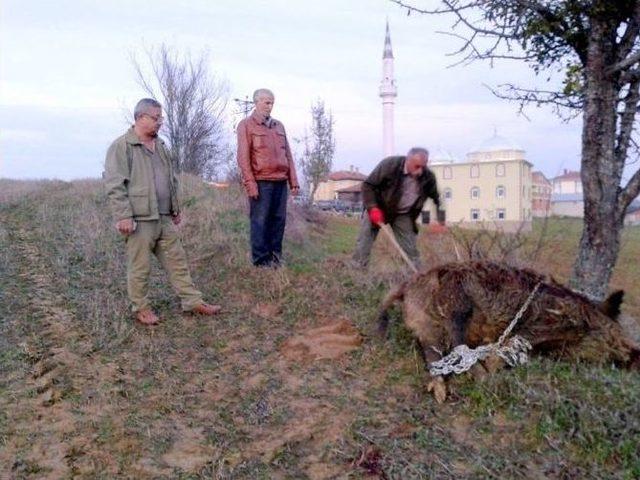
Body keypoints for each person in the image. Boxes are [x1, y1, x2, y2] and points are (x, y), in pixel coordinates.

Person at [104, 98, 221, 325]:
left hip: (163, 217)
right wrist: (123, 216)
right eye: (155, 118)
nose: (160, 123)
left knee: (178, 261)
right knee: (140, 266)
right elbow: (114, 185)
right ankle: (141, 308)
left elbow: (170, 180)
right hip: (139, 219)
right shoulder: (121, 147)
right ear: (140, 118)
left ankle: (192, 301)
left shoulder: (162, 147)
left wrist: (174, 209)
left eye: (161, 118)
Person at [236, 88, 300, 267]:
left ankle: (275, 257)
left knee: (279, 221)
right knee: (260, 221)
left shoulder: (279, 126)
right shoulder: (246, 125)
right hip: (261, 181)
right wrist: (250, 184)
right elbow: (243, 157)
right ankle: (261, 260)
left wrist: (293, 181)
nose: (270, 106)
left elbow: (288, 154)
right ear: (256, 103)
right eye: (266, 102)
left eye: (272, 103)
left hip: (280, 182)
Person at [352, 147, 444, 268]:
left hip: (403, 214)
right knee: (365, 239)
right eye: (417, 166)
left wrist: (440, 220)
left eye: (423, 166)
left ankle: (416, 275)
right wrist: (372, 207)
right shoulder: (389, 165)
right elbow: (368, 185)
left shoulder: (428, 177)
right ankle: (358, 270)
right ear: (408, 160)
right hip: (378, 208)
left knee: (410, 247)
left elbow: (437, 199)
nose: (420, 171)